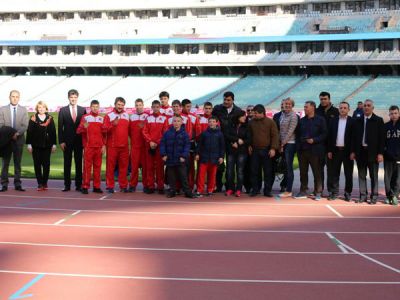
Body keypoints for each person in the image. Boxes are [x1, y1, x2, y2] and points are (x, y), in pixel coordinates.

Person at [351, 99, 385, 204]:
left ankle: (374, 196)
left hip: (373, 153)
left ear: (372, 108)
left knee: (373, 176)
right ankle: (363, 195)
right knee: (361, 175)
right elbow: (354, 138)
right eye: (365, 105)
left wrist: (380, 153)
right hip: (360, 152)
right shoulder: (357, 120)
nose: (366, 107)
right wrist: (353, 151)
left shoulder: (378, 120)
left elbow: (381, 139)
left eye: (368, 105)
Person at [295, 101, 327, 200]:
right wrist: (298, 146)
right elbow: (297, 134)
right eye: (304, 107)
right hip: (303, 151)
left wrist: (314, 140)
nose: (305, 109)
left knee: (317, 172)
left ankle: (318, 192)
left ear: (313, 107)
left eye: (306, 107)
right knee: (303, 172)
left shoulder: (320, 120)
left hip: (315, 151)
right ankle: (303, 190)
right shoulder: (301, 120)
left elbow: (325, 134)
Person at [212, 91, 243, 192]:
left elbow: (238, 128)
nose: (226, 101)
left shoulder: (238, 111)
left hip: (231, 142)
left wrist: (234, 140)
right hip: (218, 140)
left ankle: (230, 186)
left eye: (228, 100)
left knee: (231, 166)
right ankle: (218, 185)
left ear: (233, 100)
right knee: (218, 164)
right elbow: (212, 121)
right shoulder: (217, 109)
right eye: (224, 99)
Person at [0, 90, 29, 192]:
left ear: (19, 98)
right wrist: (11, 134)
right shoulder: (3, 109)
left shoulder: (23, 110)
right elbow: (1, 124)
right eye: (13, 96)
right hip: (6, 141)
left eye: (17, 96)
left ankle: (17, 183)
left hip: (19, 140)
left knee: (17, 163)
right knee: (5, 163)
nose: (15, 98)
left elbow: (25, 125)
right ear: (9, 97)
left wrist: (17, 133)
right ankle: (4, 184)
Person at [248, 104, 279, 197]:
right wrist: (249, 145)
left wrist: (273, 148)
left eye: (256, 113)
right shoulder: (251, 123)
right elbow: (249, 135)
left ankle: (267, 190)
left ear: (262, 113)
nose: (254, 115)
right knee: (254, 171)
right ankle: (255, 189)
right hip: (255, 151)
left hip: (267, 150)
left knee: (268, 172)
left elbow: (275, 136)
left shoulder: (270, 122)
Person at [58, 89, 86, 192]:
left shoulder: (83, 110)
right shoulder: (63, 110)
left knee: (79, 163)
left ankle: (78, 185)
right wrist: (61, 141)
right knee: (67, 163)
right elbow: (60, 127)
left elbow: (85, 127)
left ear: (77, 98)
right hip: (67, 142)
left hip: (79, 141)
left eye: (75, 97)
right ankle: (67, 185)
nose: (73, 99)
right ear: (68, 98)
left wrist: (85, 141)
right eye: (71, 97)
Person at [160, 115, 194, 198]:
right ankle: (172, 191)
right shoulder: (167, 133)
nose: (176, 123)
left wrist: (183, 156)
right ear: (172, 122)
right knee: (171, 177)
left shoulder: (185, 134)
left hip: (180, 159)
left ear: (181, 122)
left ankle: (187, 191)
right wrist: (163, 154)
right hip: (170, 159)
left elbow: (187, 146)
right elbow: (162, 144)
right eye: (174, 121)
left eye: (178, 121)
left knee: (183, 176)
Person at [77, 100, 106, 194]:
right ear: (90, 107)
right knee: (87, 168)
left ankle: (96, 186)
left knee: (98, 167)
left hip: (99, 147)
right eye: (93, 106)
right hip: (88, 147)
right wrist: (83, 127)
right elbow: (78, 131)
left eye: (97, 106)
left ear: (99, 107)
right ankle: (85, 186)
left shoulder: (101, 118)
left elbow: (104, 134)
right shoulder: (85, 117)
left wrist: (104, 145)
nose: (95, 108)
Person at [327, 102, 354, 201]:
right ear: (339, 109)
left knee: (348, 173)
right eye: (341, 108)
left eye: (345, 108)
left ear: (348, 109)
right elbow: (330, 137)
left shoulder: (352, 121)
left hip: (347, 152)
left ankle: (348, 193)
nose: (342, 109)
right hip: (335, 151)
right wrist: (329, 150)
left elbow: (354, 138)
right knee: (334, 173)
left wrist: (353, 152)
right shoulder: (333, 120)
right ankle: (334, 192)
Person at [26, 101, 57, 191]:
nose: (41, 109)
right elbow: (29, 132)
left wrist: (54, 144)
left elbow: (53, 132)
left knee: (46, 165)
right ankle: (39, 183)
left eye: (43, 107)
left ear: (46, 109)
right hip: (36, 146)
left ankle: (45, 182)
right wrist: (29, 144)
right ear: (37, 109)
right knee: (37, 165)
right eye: (39, 107)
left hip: (47, 146)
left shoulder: (50, 118)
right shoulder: (33, 118)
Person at [104, 97, 130, 193]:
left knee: (123, 167)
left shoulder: (127, 116)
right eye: (118, 105)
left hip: (124, 146)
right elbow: (104, 129)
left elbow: (129, 131)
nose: (120, 107)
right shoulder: (109, 116)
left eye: (122, 105)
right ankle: (110, 186)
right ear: (115, 104)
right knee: (110, 167)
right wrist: (112, 124)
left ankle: (123, 186)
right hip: (112, 146)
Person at [143, 100, 168, 194]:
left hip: (159, 146)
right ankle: (151, 186)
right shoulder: (148, 118)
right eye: (154, 107)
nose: (156, 108)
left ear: (160, 107)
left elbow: (165, 132)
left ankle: (160, 186)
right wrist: (150, 141)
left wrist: (157, 142)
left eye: (158, 107)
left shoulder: (164, 118)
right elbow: (144, 131)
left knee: (160, 167)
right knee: (149, 167)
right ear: (152, 107)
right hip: (149, 146)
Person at [316, 91, 339, 196]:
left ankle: (331, 190)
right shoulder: (316, 111)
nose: (323, 101)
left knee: (331, 170)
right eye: (321, 99)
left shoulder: (336, 111)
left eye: (325, 99)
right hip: (319, 146)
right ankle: (319, 190)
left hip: (331, 146)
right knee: (319, 170)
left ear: (329, 99)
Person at [196, 116, 225, 197]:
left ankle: (210, 190)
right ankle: (199, 190)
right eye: (210, 122)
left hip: (214, 158)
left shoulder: (220, 134)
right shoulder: (204, 133)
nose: (211, 123)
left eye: (213, 121)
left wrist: (221, 157)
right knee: (201, 176)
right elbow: (199, 145)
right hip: (204, 158)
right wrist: (197, 154)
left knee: (212, 176)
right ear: (208, 123)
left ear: (216, 123)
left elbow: (222, 147)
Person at [225, 110, 249, 197]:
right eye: (243, 116)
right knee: (230, 171)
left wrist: (241, 141)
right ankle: (230, 188)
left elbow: (249, 139)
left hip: (242, 152)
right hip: (231, 151)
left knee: (240, 171)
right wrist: (234, 141)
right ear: (238, 117)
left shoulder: (246, 126)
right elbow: (227, 135)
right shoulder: (230, 125)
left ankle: (239, 189)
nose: (244, 117)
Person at [278, 98, 299, 198]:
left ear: (292, 105)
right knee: (286, 167)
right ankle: (286, 187)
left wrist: (282, 144)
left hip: (290, 144)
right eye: (285, 104)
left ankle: (289, 190)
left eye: (289, 104)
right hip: (283, 144)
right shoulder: (282, 115)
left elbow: (290, 131)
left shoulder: (293, 116)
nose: (287, 105)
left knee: (289, 167)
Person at [129, 98, 149, 193]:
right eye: (136, 105)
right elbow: (129, 132)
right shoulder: (132, 117)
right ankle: (133, 185)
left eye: (140, 105)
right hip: (135, 146)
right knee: (134, 167)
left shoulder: (147, 117)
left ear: (143, 105)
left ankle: (146, 185)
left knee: (145, 167)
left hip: (145, 146)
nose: (138, 107)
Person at [181, 99, 201, 189]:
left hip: (191, 144)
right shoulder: (178, 116)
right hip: (180, 145)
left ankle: (190, 186)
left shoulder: (194, 117)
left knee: (191, 167)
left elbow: (198, 133)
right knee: (180, 166)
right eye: (187, 107)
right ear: (182, 107)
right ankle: (180, 186)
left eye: (190, 106)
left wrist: (197, 148)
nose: (189, 108)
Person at [383, 105, 400, 205]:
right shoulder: (386, 126)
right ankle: (388, 195)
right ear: (389, 114)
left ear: (399, 113)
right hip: (388, 156)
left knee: (397, 178)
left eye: (395, 113)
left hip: (399, 157)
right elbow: (383, 141)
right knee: (387, 178)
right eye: (392, 113)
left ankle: (394, 196)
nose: (393, 115)